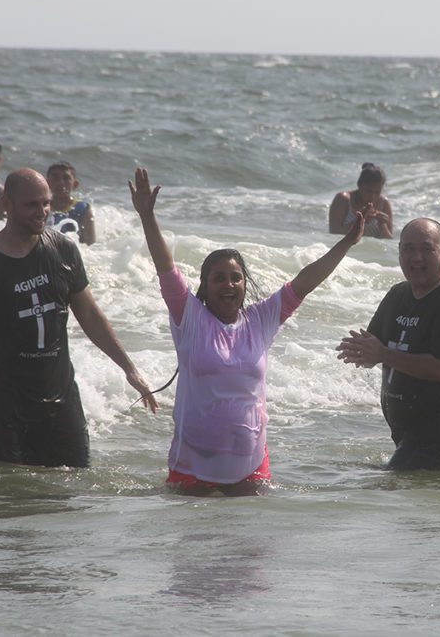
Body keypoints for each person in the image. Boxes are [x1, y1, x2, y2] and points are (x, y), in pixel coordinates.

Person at [130, 166, 364, 495]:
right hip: (192, 463)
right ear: (205, 286)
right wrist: (147, 217)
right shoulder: (189, 316)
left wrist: (347, 243)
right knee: (192, 544)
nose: (228, 284)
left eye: (235, 277)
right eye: (219, 278)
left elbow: (306, 282)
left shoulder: (261, 319)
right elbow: (165, 266)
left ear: (244, 283)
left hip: (250, 466)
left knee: (250, 544)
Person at [0, 168, 156, 467]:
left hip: (59, 400)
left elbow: (89, 314)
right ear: (6, 203)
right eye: (32, 204)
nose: (42, 211)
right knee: (5, 496)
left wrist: (129, 368)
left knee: (67, 493)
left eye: (46, 203)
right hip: (2, 405)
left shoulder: (62, 250)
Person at [337, 218, 440, 470]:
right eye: (408, 249)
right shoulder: (398, 295)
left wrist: (383, 354)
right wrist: (362, 351)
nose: (416, 257)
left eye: (426, 249)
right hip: (410, 434)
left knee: (382, 491)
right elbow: (376, 345)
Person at [328, 162, 393, 238]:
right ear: (359, 185)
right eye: (369, 191)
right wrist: (360, 220)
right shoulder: (343, 199)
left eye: (377, 192)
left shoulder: (384, 203)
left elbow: (389, 242)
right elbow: (334, 234)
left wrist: (382, 225)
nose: (373, 196)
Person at [46, 161, 96, 245]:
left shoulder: (83, 209)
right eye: (55, 178)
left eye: (66, 178)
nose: (60, 182)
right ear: (46, 183)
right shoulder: (42, 207)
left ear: (75, 184)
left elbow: (90, 244)